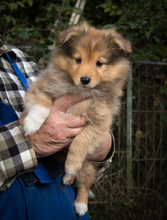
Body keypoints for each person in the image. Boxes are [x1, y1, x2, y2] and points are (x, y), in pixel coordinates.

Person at [0, 36, 115, 220]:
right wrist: (26, 142)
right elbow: (41, 93)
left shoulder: (17, 58)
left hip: (64, 203)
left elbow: (93, 157)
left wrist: (104, 150)